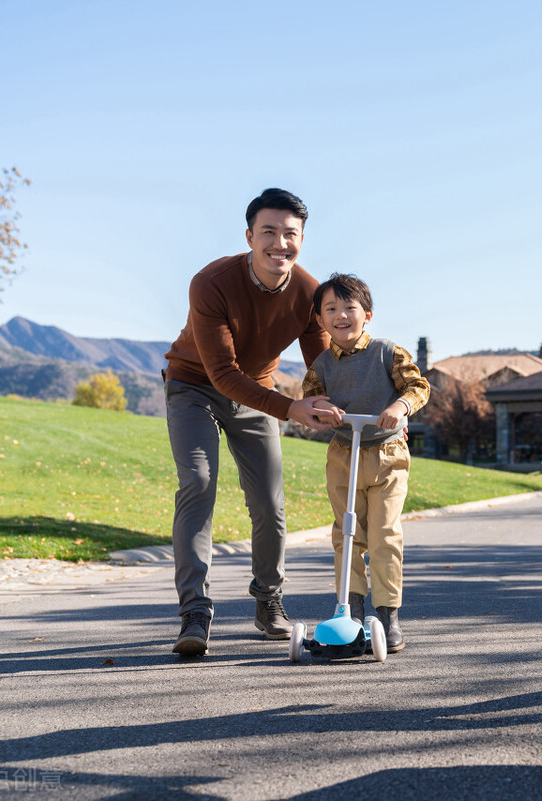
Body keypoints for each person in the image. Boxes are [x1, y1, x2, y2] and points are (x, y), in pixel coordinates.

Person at [163, 188, 342, 657]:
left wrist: (380, 412)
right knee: (198, 483)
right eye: (268, 232)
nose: (279, 243)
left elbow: (325, 368)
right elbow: (221, 373)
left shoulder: (309, 293)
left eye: (290, 234)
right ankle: (195, 612)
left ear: (302, 238)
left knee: (268, 502)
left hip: (257, 394)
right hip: (194, 387)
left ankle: (268, 600)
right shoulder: (212, 282)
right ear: (249, 236)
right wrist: (290, 408)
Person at [301, 273, 430, 654]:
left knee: (384, 534)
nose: (341, 315)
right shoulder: (321, 365)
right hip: (344, 453)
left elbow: (417, 386)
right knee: (346, 534)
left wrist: (398, 407)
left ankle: (388, 614)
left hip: (387, 453)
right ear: (321, 321)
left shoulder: (388, 353)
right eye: (331, 310)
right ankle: (351, 611)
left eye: (349, 308)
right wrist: (324, 408)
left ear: (367, 314)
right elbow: (310, 398)